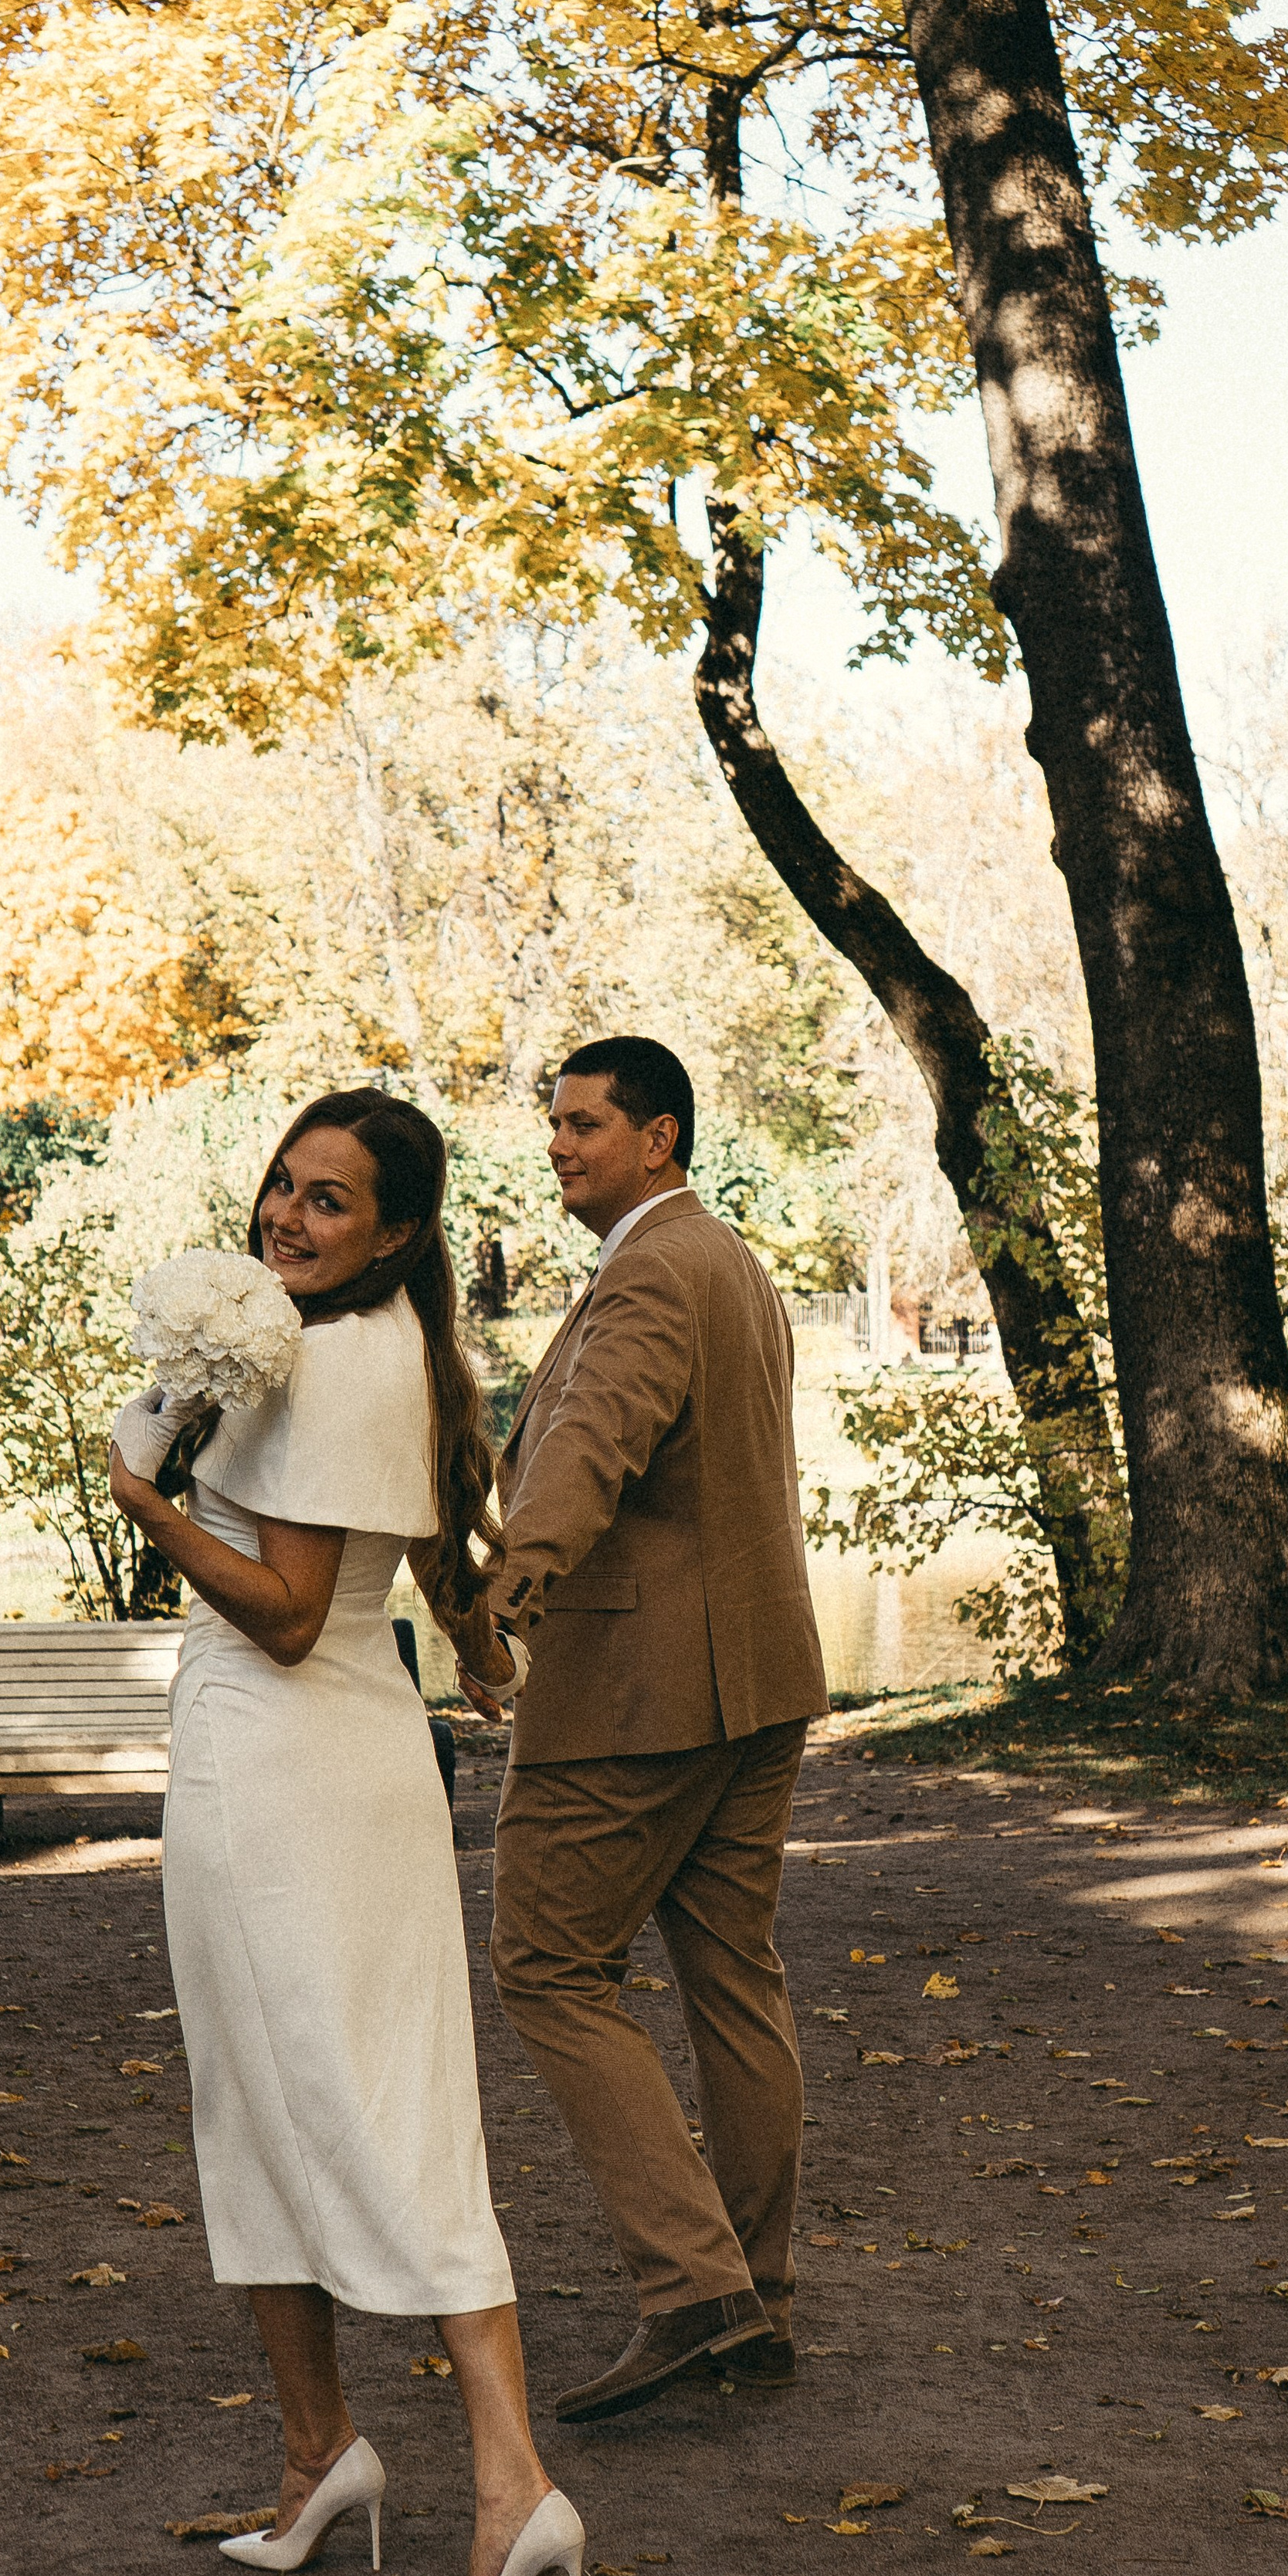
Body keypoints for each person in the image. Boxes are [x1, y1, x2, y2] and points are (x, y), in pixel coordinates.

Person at [109, 1089, 585, 2576]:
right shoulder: (347, 1348)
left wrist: (145, 1504)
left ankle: (511, 2489)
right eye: (280, 1190)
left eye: (330, 1204)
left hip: (293, 1768)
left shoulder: (351, 1358)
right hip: (286, 1758)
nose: (288, 1221)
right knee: (254, 2095)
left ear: (393, 1234)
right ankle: (321, 2456)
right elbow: (379, 1570)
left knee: (373, 2110)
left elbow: (294, 1610)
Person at [459, 1038, 828, 2424]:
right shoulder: (727, 1260)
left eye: (584, 1124)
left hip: (639, 1693)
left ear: (660, 1136)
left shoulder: (654, 1270)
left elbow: (591, 1447)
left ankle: (695, 2293)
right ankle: (761, 2304)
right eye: (553, 1123)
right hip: (756, 1680)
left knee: (548, 1968)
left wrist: (506, 1597)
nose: (558, 1145)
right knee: (734, 1983)